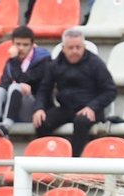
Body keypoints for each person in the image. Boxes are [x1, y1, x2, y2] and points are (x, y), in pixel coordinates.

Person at [32, 28, 117, 157]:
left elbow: (110, 90)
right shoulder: (54, 65)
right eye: (71, 48)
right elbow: (44, 90)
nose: (75, 51)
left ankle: (73, 160)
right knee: (42, 121)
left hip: (91, 109)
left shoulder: (95, 63)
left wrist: (92, 107)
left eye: (78, 47)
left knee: (81, 122)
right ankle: (47, 156)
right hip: (66, 108)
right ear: (63, 48)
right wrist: (39, 108)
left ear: (84, 46)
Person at [0, 26, 51, 138]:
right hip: (13, 105)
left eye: (25, 45)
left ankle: (6, 125)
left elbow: (24, 79)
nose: (21, 48)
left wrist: (15, 61)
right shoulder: (11, 62)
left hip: (33, 107)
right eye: (18, 44)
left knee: (16, 87)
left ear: (32, 45)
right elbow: (4, 84)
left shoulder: (42, 60)